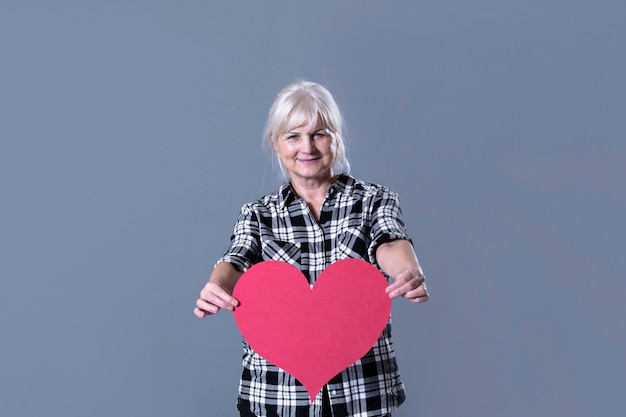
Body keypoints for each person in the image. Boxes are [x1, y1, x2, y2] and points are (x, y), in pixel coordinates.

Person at [194, 81, 429, 417]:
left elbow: (389, 242)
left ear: (336, 138)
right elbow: (236, 260)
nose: (307, 146)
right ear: (276, 143)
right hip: (276, 397)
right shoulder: (258, 214)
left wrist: (407, 270)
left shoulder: (374, 200)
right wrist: (217, 285)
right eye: (293, 136)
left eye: (319, 133)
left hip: (361, 395)